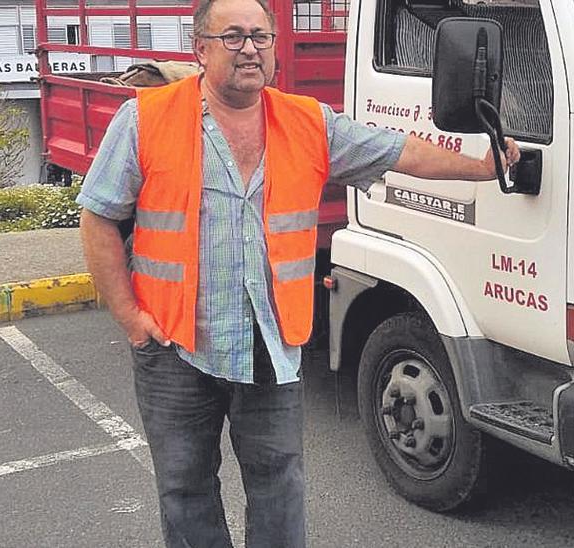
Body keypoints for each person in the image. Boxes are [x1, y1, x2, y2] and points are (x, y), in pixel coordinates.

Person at [75, 0, 520, 546]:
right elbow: (98, 216)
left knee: (279, 488)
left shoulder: (307, 122)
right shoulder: (145, 118)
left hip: (270, 342)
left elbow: (398, 151)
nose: (250, 49)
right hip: (174, 347)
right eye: (233, 36)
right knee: (185, 489)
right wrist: (130, 316)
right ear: (199, 49)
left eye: (260, 37)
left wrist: (481, 167)